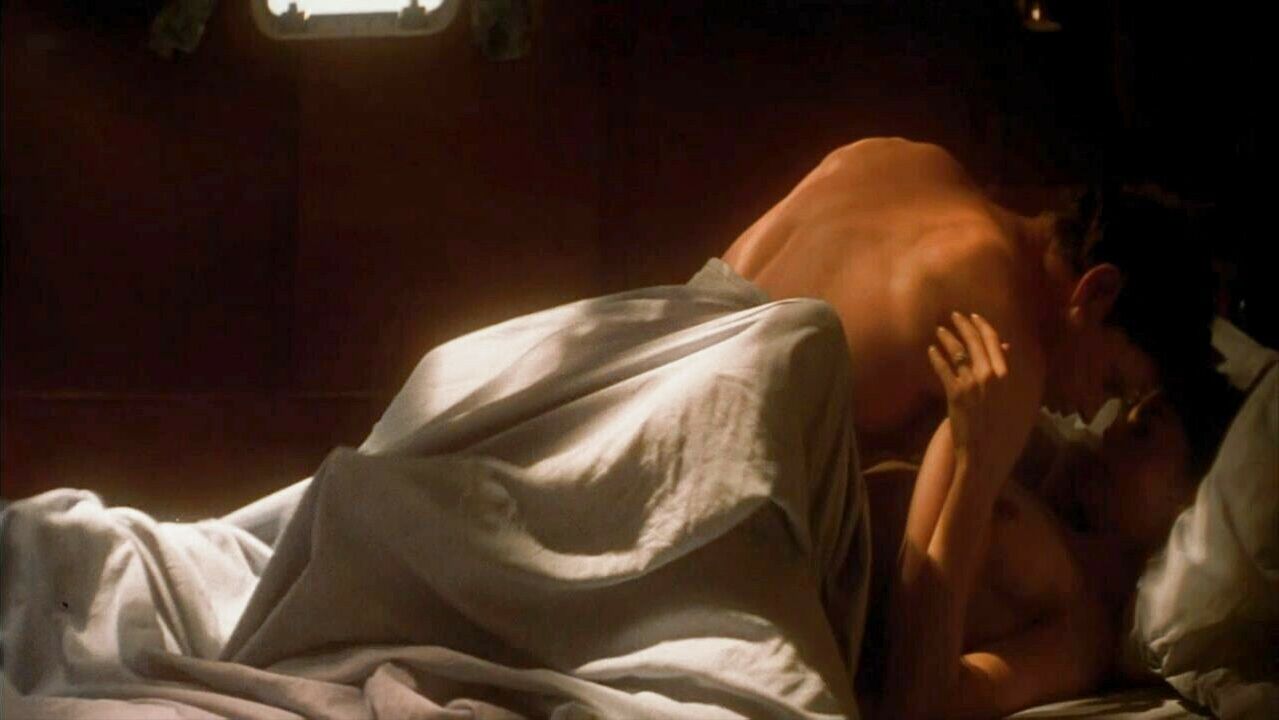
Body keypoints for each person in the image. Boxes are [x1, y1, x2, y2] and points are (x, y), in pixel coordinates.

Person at [722, 137, 1219, 469]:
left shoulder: (916, 159)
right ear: (1096, 292)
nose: (1091, 414)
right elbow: (926, 594)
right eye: (1110, 383)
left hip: (679, 336)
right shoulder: (1005, 349)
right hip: (720, 460)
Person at [856, 314, 1237, 719]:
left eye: (1143, 432)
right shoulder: (1048, 472)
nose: (1110, 433)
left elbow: (919, 704)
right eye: (1124, 412)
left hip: (823, 581)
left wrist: (973, 474)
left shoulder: (1083, 634)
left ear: (1194, 502)